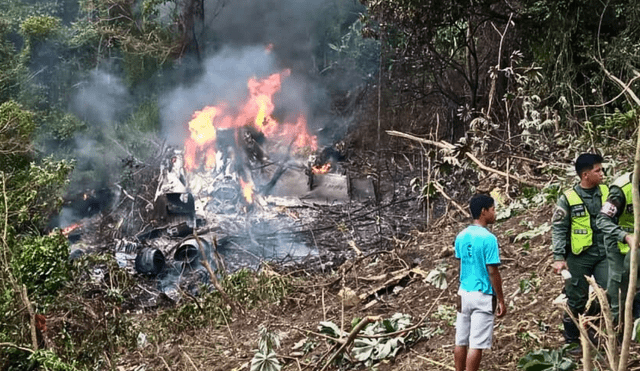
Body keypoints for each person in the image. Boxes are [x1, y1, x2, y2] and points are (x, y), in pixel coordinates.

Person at [551, 153, 609, 352]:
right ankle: (572, 338)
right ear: (585, 175)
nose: (602, 173)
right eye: (598, 170)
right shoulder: (568, 198)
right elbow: (559, 227)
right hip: (578, 256)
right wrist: (558, 257)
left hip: (604, 253)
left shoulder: (607, 192)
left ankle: (594, 328)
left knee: (608, 291)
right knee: (576, 297)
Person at [454, 194, 506, 371]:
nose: (495, 213)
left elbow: (461, 263)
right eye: (493, 209)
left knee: (460, 340)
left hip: (463, 293)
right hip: (482, 294)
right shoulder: (488, 238)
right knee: (476, 344)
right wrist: (501, 299)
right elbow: (492, 271)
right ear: (484, 212)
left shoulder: (461, 236)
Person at [596, 171, 640, 325]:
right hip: (618, 241)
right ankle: (616, 329)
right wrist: (625, 236)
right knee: (619, 285)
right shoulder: (620, 190)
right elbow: (602, 220)